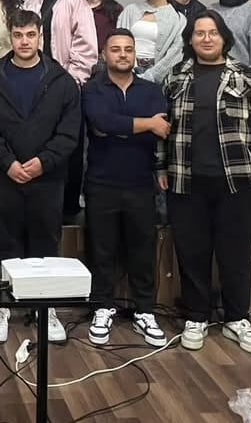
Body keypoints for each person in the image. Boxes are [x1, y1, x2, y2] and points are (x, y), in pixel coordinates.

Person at [159, 10, 251, 356]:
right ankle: (196, 317)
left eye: (213, 32)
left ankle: (236, 318)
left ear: (224, 37)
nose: (206, 38)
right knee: (191, 254)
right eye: (199, 33)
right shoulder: (175, 78)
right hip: (186, 183)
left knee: (236, 256)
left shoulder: (249, 77)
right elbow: (162, 128)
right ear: (190, 39)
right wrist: (160, 167)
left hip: (240, 184)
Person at [0, 10, 81, 344]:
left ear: (41, 37)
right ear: (10, 37)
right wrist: (8, 162)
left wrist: (42, 162)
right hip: (2, 176)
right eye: (18, 35)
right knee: (1, 242)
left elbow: (69, 133)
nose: (24, 41)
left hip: (47, 178)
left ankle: (44, 309)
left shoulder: (62, 81)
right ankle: (0, 306)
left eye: (31, 35)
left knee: (45, 244)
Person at [82, 30, 170, 348]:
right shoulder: (92, 89)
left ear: (135, 55)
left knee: (142, 251)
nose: (122, 54)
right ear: (104, 54)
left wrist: (125, 126)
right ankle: (102, 307)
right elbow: (102, 124)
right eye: (116, 49)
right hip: (101, 182)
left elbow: (162, 130)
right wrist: (146, 124)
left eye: (128, 49)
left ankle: (145, 311)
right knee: (101, 250)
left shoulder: (152, 91)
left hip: (140, 183)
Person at [22, 0, 97, 215]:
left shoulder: (76, 2)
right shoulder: (31, 2)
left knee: (67, 146)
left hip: (67, 87)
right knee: (38, 145)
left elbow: (86, 48)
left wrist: (70, 82)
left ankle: (68, 207)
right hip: (34, 87)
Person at [116, 0, 186, 85]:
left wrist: (150, 77)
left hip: (158, 81)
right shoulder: (130, 11)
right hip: (125, 75)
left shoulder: (179, 19)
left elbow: (174, 55)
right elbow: (117, 42)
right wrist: (131, 74)